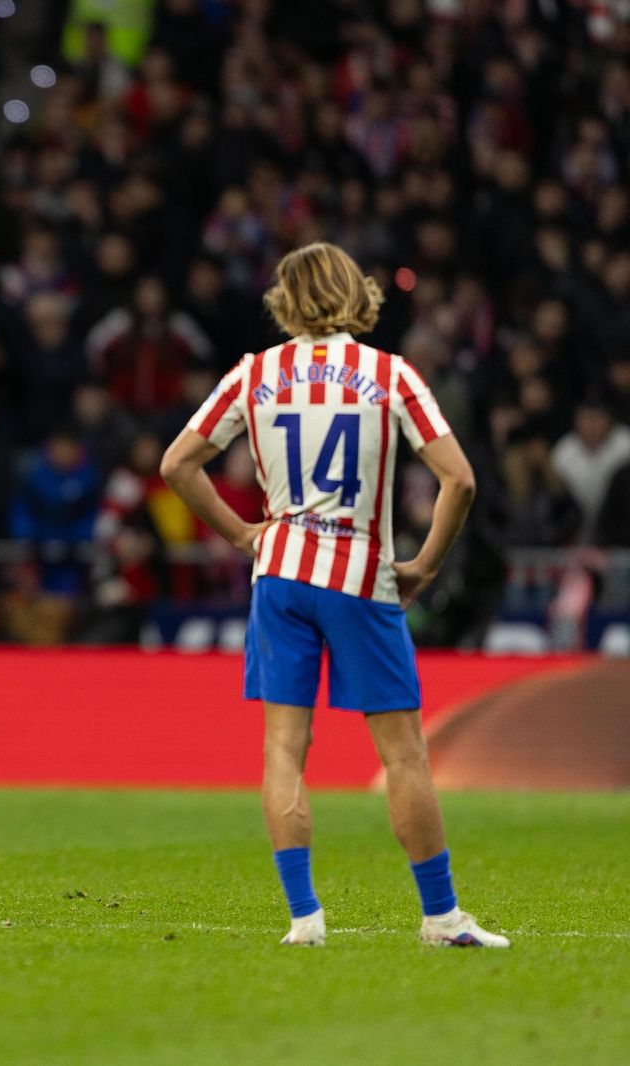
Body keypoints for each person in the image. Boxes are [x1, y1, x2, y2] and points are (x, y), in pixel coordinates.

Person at [159, 242, 510, 948]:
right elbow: (460, 480)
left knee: (284, 750)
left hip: (281, 572)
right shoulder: (389, 374)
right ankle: (441, 918)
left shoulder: (255, 373)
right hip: (359, 575)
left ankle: (305, 920)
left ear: (284, 300)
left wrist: (242, 535)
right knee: (402, 755)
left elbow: (177, 464)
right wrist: (426, 565)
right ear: (358, 293)